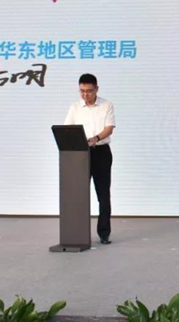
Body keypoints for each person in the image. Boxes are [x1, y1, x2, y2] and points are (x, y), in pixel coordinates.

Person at [64, 73, 116, 245]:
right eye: (82, 91)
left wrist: (96, 138)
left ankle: (104, 233)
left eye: (89, 91)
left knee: (103, 195)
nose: (85, 94)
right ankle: (78, 233)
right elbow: (67, 129)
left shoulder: (106, 105)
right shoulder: (75, 107)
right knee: (78, 194)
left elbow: (109, 128)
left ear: (96, 89)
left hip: (101, 152)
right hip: (80, 154)